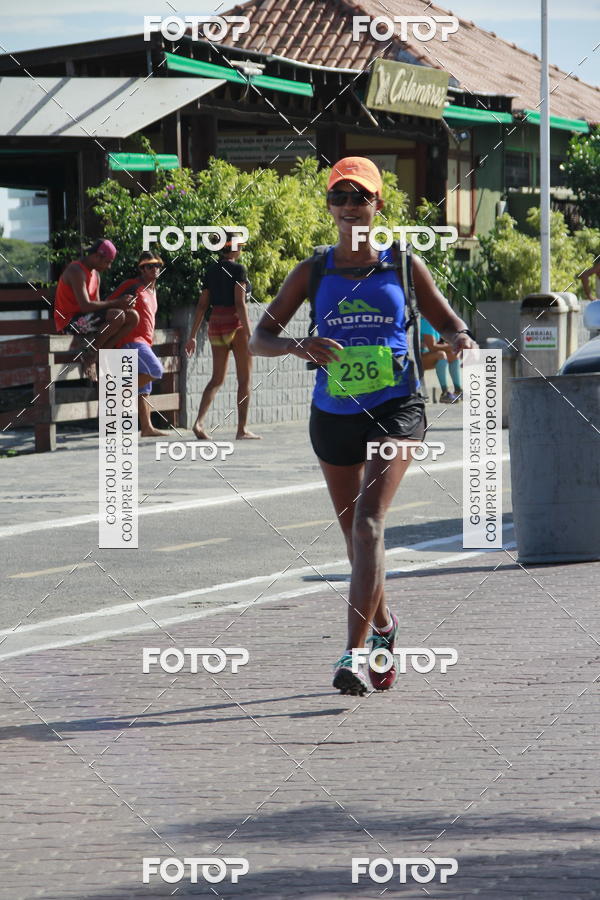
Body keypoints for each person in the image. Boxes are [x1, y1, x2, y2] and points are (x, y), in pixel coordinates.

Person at [249, 157, 477, 696]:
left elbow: (449, 320)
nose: (350, 207)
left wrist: (461, 338)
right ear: (330, 207)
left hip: (395, 408)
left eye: (361, 197)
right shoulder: (314, 271)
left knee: (370, 524)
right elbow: (260, 338)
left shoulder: (402, 264)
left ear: (378, 205)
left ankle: (352, 655)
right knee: (355, 539)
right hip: (333, 413)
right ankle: (384, 627)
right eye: (340, 198)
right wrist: (296, 345)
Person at [184, 234, 260, 440]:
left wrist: (192, 336)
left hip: (215, 324)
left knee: (216, 379)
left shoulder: (211, 270)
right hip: (235, 324)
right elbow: (239, 303)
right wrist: (250, 334)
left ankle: (199, 423)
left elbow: (202, 305)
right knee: (244, 379)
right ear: (233, 248)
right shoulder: (239, 270)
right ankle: (241, 429)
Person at [53, 238, 138, 379]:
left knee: (133, 316)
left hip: (85, 319)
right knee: (118, 315)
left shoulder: (95, 275)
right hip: (69, 323)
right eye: (107, 262)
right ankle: (90, 354)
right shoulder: (76, 270)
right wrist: (118, 303)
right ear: (97, 256)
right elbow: (85, 306)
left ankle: (101, 352)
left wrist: (123, 305)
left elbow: (97, 307)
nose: (109, 267)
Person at [110, 251, 168, 438]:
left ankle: (147, 428)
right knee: (155, 370)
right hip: (130, 340)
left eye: (157, 265)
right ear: (142, 269)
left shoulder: (153, 291)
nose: (155, 269)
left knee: (144, 389)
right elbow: (109, 303)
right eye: (150, 266)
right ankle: (121, 392)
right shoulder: (132, 285)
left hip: (144, 342)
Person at [420, 316, 463, 402]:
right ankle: (445, 393)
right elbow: (432, 347)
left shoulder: (437, 323)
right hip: (417, 358)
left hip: (426, 355)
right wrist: (452, 346)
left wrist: (455, 347)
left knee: (453, 354)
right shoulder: (427, 322)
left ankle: (458, 391)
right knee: (441, 354)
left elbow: (443, 343)